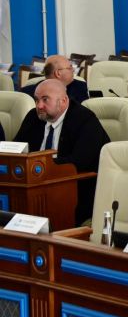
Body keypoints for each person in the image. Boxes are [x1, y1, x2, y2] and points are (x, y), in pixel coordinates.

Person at [14, 79, 109, 224]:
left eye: (45, 100)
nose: (39, 105)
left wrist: (39, 165)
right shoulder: (34, 117)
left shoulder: (84, 120)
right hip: (35, 184)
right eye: (37, 100)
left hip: (75, 189)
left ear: (63, 101)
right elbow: (16, 148)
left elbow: (79, 162)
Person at [21, 54, 89, 104]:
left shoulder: (80, 87)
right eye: (70, 68)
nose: (73, 70)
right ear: (58, 73)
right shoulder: (27, 93)